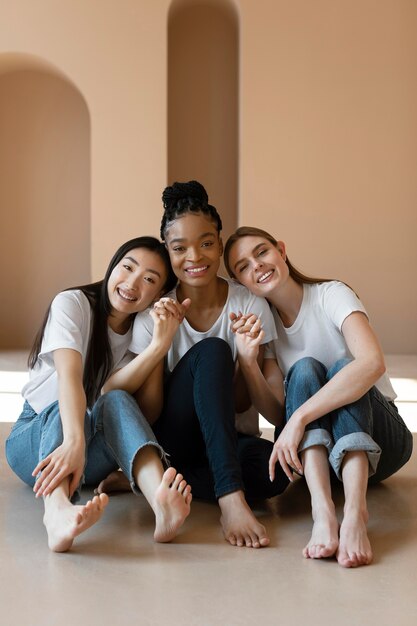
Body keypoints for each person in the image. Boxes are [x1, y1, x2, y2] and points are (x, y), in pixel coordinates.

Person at [101, 181, 289, 549]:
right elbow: (151, 412)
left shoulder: (249, 303)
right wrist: (162, 342)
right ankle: (229, 498)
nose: (194, 257)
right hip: (175, 439)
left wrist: (248, 361)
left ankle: (160, 478)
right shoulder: (156, 312)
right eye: (179, 248)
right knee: (214, 349)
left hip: (228, 440)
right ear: (169, 254)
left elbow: (245, 407)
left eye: (205, 243)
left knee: (277, 473)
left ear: (220, 244)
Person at [224, 225, 413, 567]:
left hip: (383, 445)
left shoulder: (331, 294)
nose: (257, 265)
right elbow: (277, 412)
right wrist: (249, 363)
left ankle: (355, 514)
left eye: (262, 252)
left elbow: (371, 363)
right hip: (322, 457)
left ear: (281, 250)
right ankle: (322, 513)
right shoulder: (266, 325)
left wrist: (300, 417)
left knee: (344, 368)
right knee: (305, 368)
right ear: (242, 282)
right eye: (243, 266)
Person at [5, 236, 192, 552]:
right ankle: (57, 512)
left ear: (159, 294)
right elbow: (69, 379)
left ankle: (161, 503)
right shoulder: (72, 304)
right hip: (36, 440)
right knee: (59, 409)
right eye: (127, 267)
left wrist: (159, 346)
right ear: (113, 265)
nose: (132, 283)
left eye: (149, 279)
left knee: (117, 399)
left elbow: (145, 411)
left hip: (86, 454)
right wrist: (74, 442)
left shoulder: (144, 327)